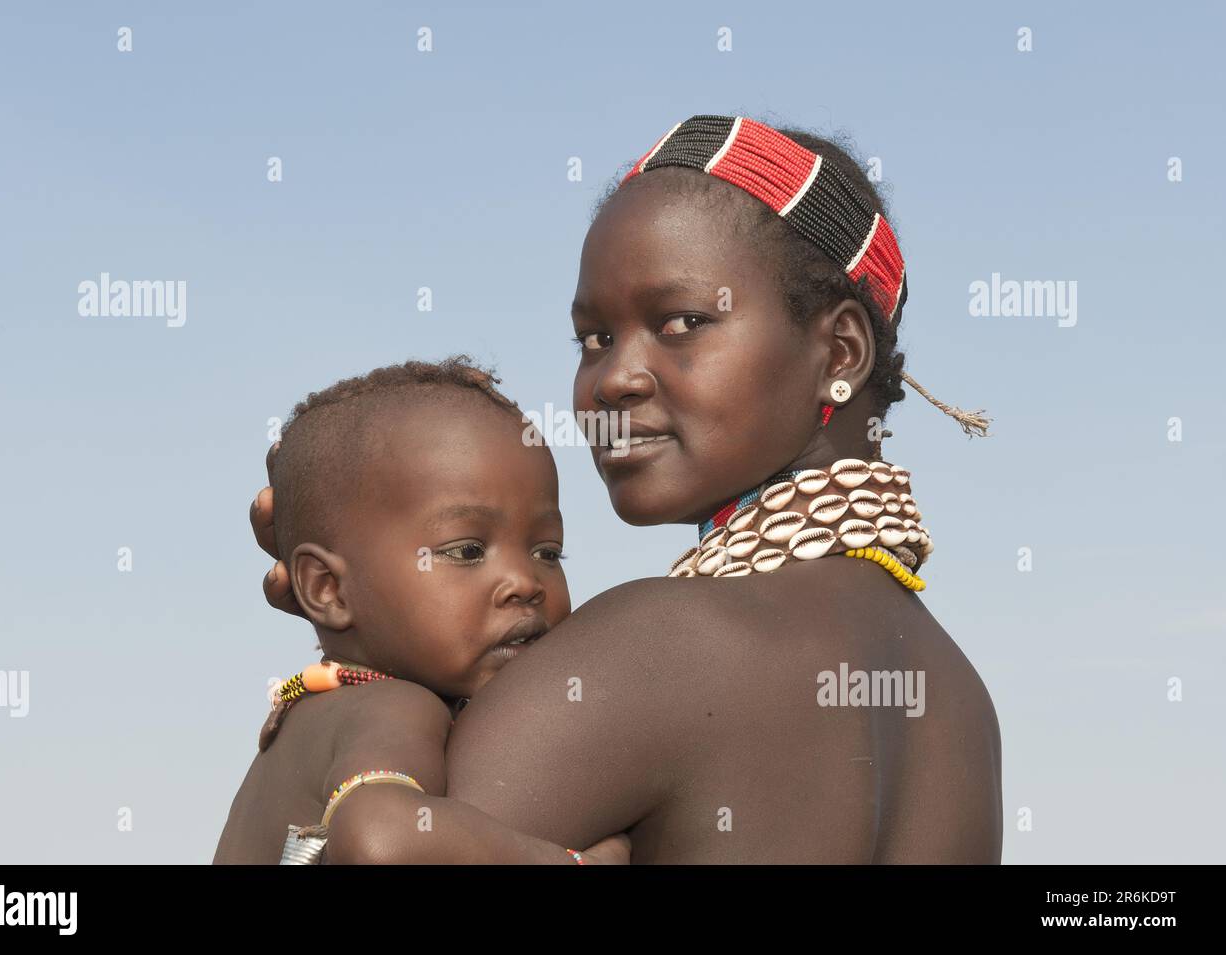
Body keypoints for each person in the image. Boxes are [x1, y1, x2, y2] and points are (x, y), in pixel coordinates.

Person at [249, 116, 1003, 863]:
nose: (614, 378)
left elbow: (374, 848)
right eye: (595, 338)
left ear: (839, 348)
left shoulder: (659, 646)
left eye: (681, 321)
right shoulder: (960, 708)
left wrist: (336, 694)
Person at [215, 357, 629, 864]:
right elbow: (380, 839)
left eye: (548, 552)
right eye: (467, 551)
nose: (525, 583)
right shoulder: (395, 706)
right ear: (327, 589)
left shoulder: (307, 721)